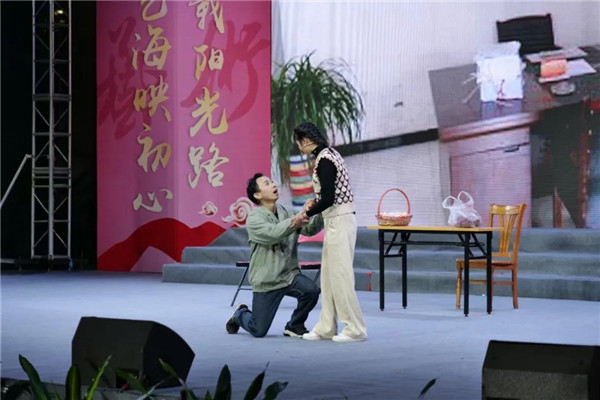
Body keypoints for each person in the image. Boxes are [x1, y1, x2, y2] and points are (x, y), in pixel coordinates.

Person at [291, 121, 368, 343]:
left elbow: (328, 198)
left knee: (341, 277)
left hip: (340, 220)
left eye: (299, 143)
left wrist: (305, 214)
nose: (299, 148)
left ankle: (355, 329)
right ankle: (326, 327)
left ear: (307, 141)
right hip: (335, 220)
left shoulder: (325, 159)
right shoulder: (328, 155)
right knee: (328, 277)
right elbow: (326, 196)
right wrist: (313, 203)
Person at [226, 173, 324, 338]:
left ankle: (294, 326)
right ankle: (240, 314)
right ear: (257, 195)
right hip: (267, 280)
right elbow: (273, 233)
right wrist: (297, 219)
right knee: (258, 330)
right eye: (267, 183)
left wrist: (317, 210)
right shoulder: (254, 219)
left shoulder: (286, 211)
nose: (273, 185)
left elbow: (310, 229)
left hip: (289, 275)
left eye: (271, 182)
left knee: (311, 291)